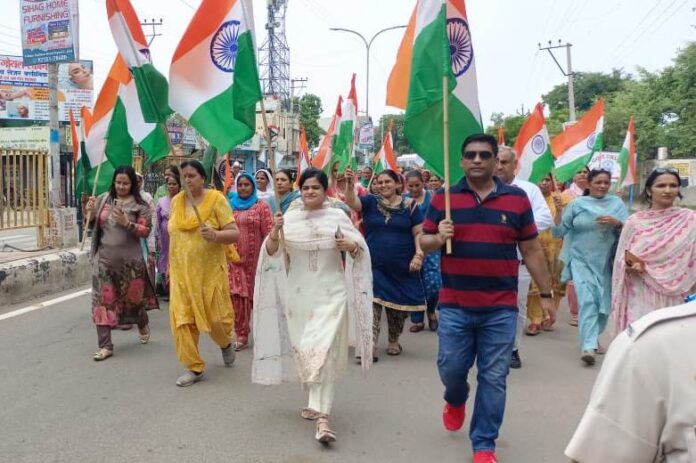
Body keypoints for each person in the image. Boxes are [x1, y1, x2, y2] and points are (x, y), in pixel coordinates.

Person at [420, 133, 554, 463]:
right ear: (462, 161)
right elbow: (423, 241)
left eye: (484, 155)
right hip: (454, 304)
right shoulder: (444, 199)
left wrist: (547, 293)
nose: (477, 160)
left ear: (496, 161)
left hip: (500, 307)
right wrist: (439, 236)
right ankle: (456, 398)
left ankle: (484, 444)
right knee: (452, 369)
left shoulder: (517, 199)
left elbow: (532, 249)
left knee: (494, 377)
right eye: (471, 155)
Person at [252, 167, 373, 444]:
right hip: (298, 296)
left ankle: (323, 418)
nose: (309, 192)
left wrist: (350, 248)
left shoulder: (338, 217)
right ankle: (313, 399)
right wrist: (274, 232)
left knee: (325, 350)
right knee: (308, 350)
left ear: (324, 190)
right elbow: (271, 253)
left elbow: (360, 249)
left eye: (315, 188)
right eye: (305, 187)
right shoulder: (288, 218)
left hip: (332, 294)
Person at [565, 300, 696, 463]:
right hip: (640, 298)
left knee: (599, 306)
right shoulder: (652, 348)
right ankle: (589, 343)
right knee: (589, 301)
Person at [168, 160, 239, 387]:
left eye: (191, 175)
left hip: (209, 274)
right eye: (184, 176)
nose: (187, 180)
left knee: (216, 320)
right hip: (181, 274)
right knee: (183, 321)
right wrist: (170, 267)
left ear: (203, 177)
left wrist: (216, 236)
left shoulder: (216, 199)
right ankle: (194, 367)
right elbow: (174, 238)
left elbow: (234, 233)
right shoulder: (176, 202)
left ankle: (225, 343)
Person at [344, 167, 426, 358]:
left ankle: (394, 340)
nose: (383, 185)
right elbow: (352, 202)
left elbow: (418, 232)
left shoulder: (410, 205)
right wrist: (349, 184)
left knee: (396, 306)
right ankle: (369, 345)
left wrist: (419, 254)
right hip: (373, 263)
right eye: (379, 182)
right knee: (371, 303)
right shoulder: (371, 202)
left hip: (402, 264)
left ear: (398, 184)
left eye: (387, 182)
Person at [83, 166, 159, 361]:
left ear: (132, 184)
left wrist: (127, 223)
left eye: (125, 183)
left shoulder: (140, 206)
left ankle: (142, 321)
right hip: (104, 262)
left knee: (133, 302)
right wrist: (89, 212)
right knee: (102, 303)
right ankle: (105, 345)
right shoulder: (103, 200)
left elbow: (145, 230)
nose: (121, 186)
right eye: (118, 183)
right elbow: (92, 225)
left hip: (130, 265)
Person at [554, 169, 628, 366]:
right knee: (587, 300)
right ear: (589, 183)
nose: (603, 186)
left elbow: (630, 232)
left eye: (606, 182)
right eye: (598, 182)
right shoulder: (577, 204)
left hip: (607, 263)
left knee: (604, 307)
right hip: (581, 260)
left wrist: (617, 223)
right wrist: (559, 212)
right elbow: (559, 231)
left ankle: (593, 336)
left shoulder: (617, 204)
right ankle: (588, 346)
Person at [611, 168, 696, 333]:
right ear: (649, 190)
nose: (668, 190)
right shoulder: (635, 222)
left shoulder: (690, 220)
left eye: (673, 185)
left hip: (677, 296)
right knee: (641, 341)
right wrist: (629, 266)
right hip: (641, 291)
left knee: (670, 342)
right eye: (661, 185)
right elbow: (621, 259)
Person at [495, 146, 553, 368]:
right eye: (497, 161)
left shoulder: (528, 190)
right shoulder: (482, 190)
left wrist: (514, 228)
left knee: (516, 308)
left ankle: (513, 348)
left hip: (519, 263)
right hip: (489, 264)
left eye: (505, 162)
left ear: (515, 165)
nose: (500, 166)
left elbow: (545, 218)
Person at [227, 172, 273, 351]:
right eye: (240, 185)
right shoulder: (231, 206)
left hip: (256, 261)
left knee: (257, 298)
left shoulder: (262, 206)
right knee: (238, 297)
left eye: (247, 185)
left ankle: (262, 332)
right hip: (234, 259)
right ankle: (241, 334)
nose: (243, 188)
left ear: (253, 187)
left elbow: (269, 232)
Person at [526, 174, 568, 335]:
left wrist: (559, 210)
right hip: (534, 245)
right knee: (535, 282)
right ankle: (535, 319)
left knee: (556, 282)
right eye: (540, 179)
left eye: (547, 180)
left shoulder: (563, 199)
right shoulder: (528, 198)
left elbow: (561, 226)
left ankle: (549, 316)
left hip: (556, 246)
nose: (543, 182)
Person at [404, 170, 440, 332]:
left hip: (431, 245)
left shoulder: (433, 197)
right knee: (414, 282)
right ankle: (417, 319)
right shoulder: (403, 201)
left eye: (417, 185)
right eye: (410, 186)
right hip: (410, 246)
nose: (414, 189)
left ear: (423, 183)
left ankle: (431, 310)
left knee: (434, 283)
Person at [562, 166, 590, 326]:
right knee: (574, 277)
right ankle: (575, 312)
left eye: (586, 172)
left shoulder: (597, 195)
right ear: (573, 176)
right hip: (572, 240)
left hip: (594, 243)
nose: (583, 175)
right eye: (579, 172)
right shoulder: (566, 196)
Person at [155, 171, 181, 300]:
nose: (171, 186)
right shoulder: (161, 202)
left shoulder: (183, 200)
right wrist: (156, 238)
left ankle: (177, 291)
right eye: (169, 184)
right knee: (165, 260)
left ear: (179, 185)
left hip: (180, 238)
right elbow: (157, 221)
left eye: (174, 184)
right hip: (165, 239)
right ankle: (168, 288)